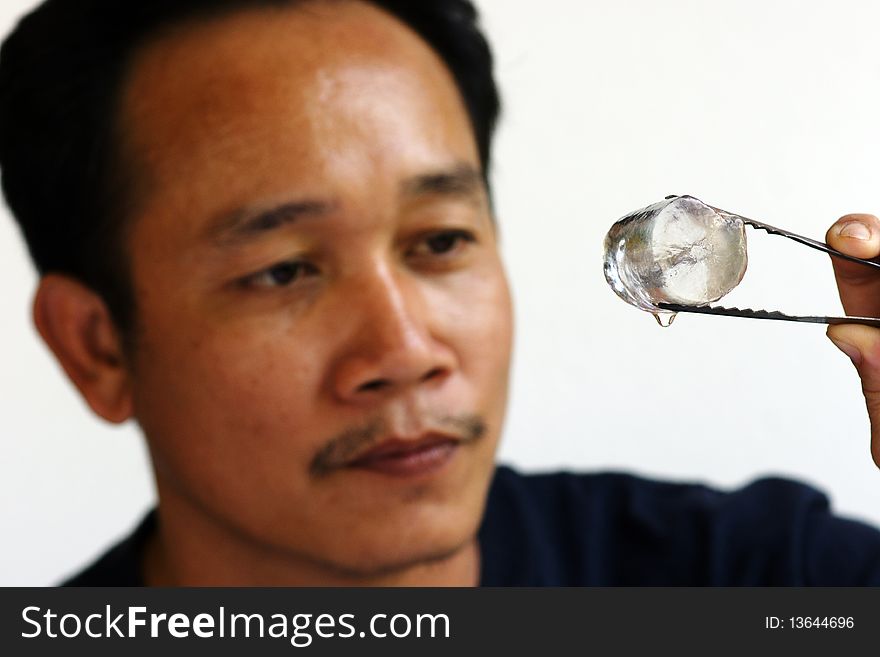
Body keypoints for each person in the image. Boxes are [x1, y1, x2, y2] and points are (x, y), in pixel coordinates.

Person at [1, 0, 878, 586]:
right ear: (97, 347)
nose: (407, 349)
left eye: (440, 241)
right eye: (282, 270)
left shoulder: (765, 578)